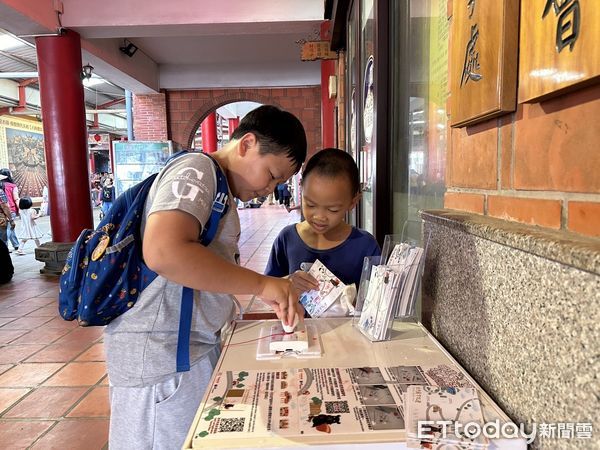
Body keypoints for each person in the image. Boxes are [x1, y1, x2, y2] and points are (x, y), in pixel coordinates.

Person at [106, 105, 308, 449]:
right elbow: (164, 251)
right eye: (271, 174)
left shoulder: (215, 184)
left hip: (181, 353)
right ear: (246, 144)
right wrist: (261, 284)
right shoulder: (198, 170)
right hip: (163, 361)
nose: (269, 188)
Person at [265, 148, 381, 298]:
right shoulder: (287, 239)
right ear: (301, 189)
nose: (319, 217)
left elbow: (379, 301)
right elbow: (266, 288)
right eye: (311, 205)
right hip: (299, 322)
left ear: (353, 202)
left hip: (348, 322)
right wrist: (288, 282)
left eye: (332, 210)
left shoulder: (365, 245)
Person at [0, 170, 20, 252]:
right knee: (7, 229)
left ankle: (16, 244)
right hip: (8, 210)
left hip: (5, 211)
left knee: (9, 228)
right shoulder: (11, 186)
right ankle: (5, 246)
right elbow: (14, 200)